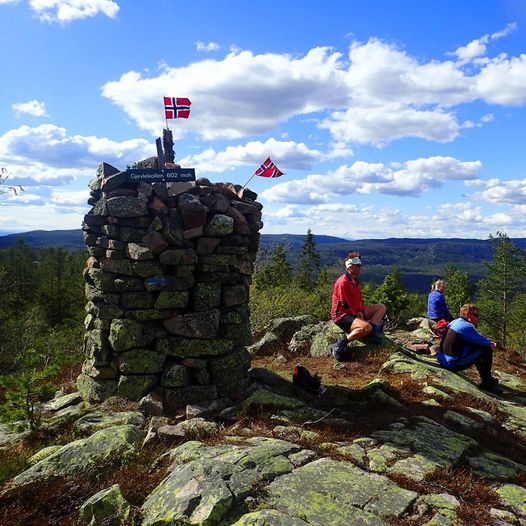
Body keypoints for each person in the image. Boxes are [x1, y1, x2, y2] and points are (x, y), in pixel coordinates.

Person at [436, 303, 502, 395]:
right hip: (451, 364)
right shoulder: (466, 326)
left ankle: (487, 379)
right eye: (476, 315)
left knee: (476, 349)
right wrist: (493, 344)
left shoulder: (455, 322)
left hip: (442, 359)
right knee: (485, 350)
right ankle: (487, 383)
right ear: (468, 315)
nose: (478, 318)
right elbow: (484, 342)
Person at [331, 252, 386, 355]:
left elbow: (359, 299)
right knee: (366, 327)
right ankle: (341, 343)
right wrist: (358, 315)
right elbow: (345, 304)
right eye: (358, 266)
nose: (360, 268)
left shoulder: (355, 280)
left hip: (355, 311)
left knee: (381, 307)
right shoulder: (343, 282)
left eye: (360, 265)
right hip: (341, 315)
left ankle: (371, 333)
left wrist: (360, 310)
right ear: (350, 267)